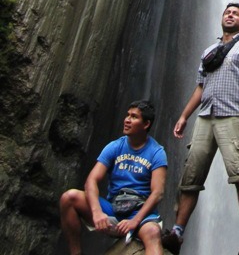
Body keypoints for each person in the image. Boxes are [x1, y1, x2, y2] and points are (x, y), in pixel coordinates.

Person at [162, 3, 239, 255]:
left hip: (233, 115)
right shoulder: (209, 51)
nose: (230, 15)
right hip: (205, 117)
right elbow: (200, 86)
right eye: (227, 12)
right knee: (190, 177)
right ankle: (177, 233)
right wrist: (184, 115)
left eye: (236, 13)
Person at [59, 100, 167, 255]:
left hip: (141, 216)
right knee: (69, 198)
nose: (127, 120)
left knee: (152, 233)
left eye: (134, 117)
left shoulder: (157, 153)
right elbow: (91, 180)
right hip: (113, 210)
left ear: (146, 124)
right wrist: (97, 212)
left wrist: (134, 221)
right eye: (127, 115)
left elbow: (158, 193)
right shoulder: (115, 147)